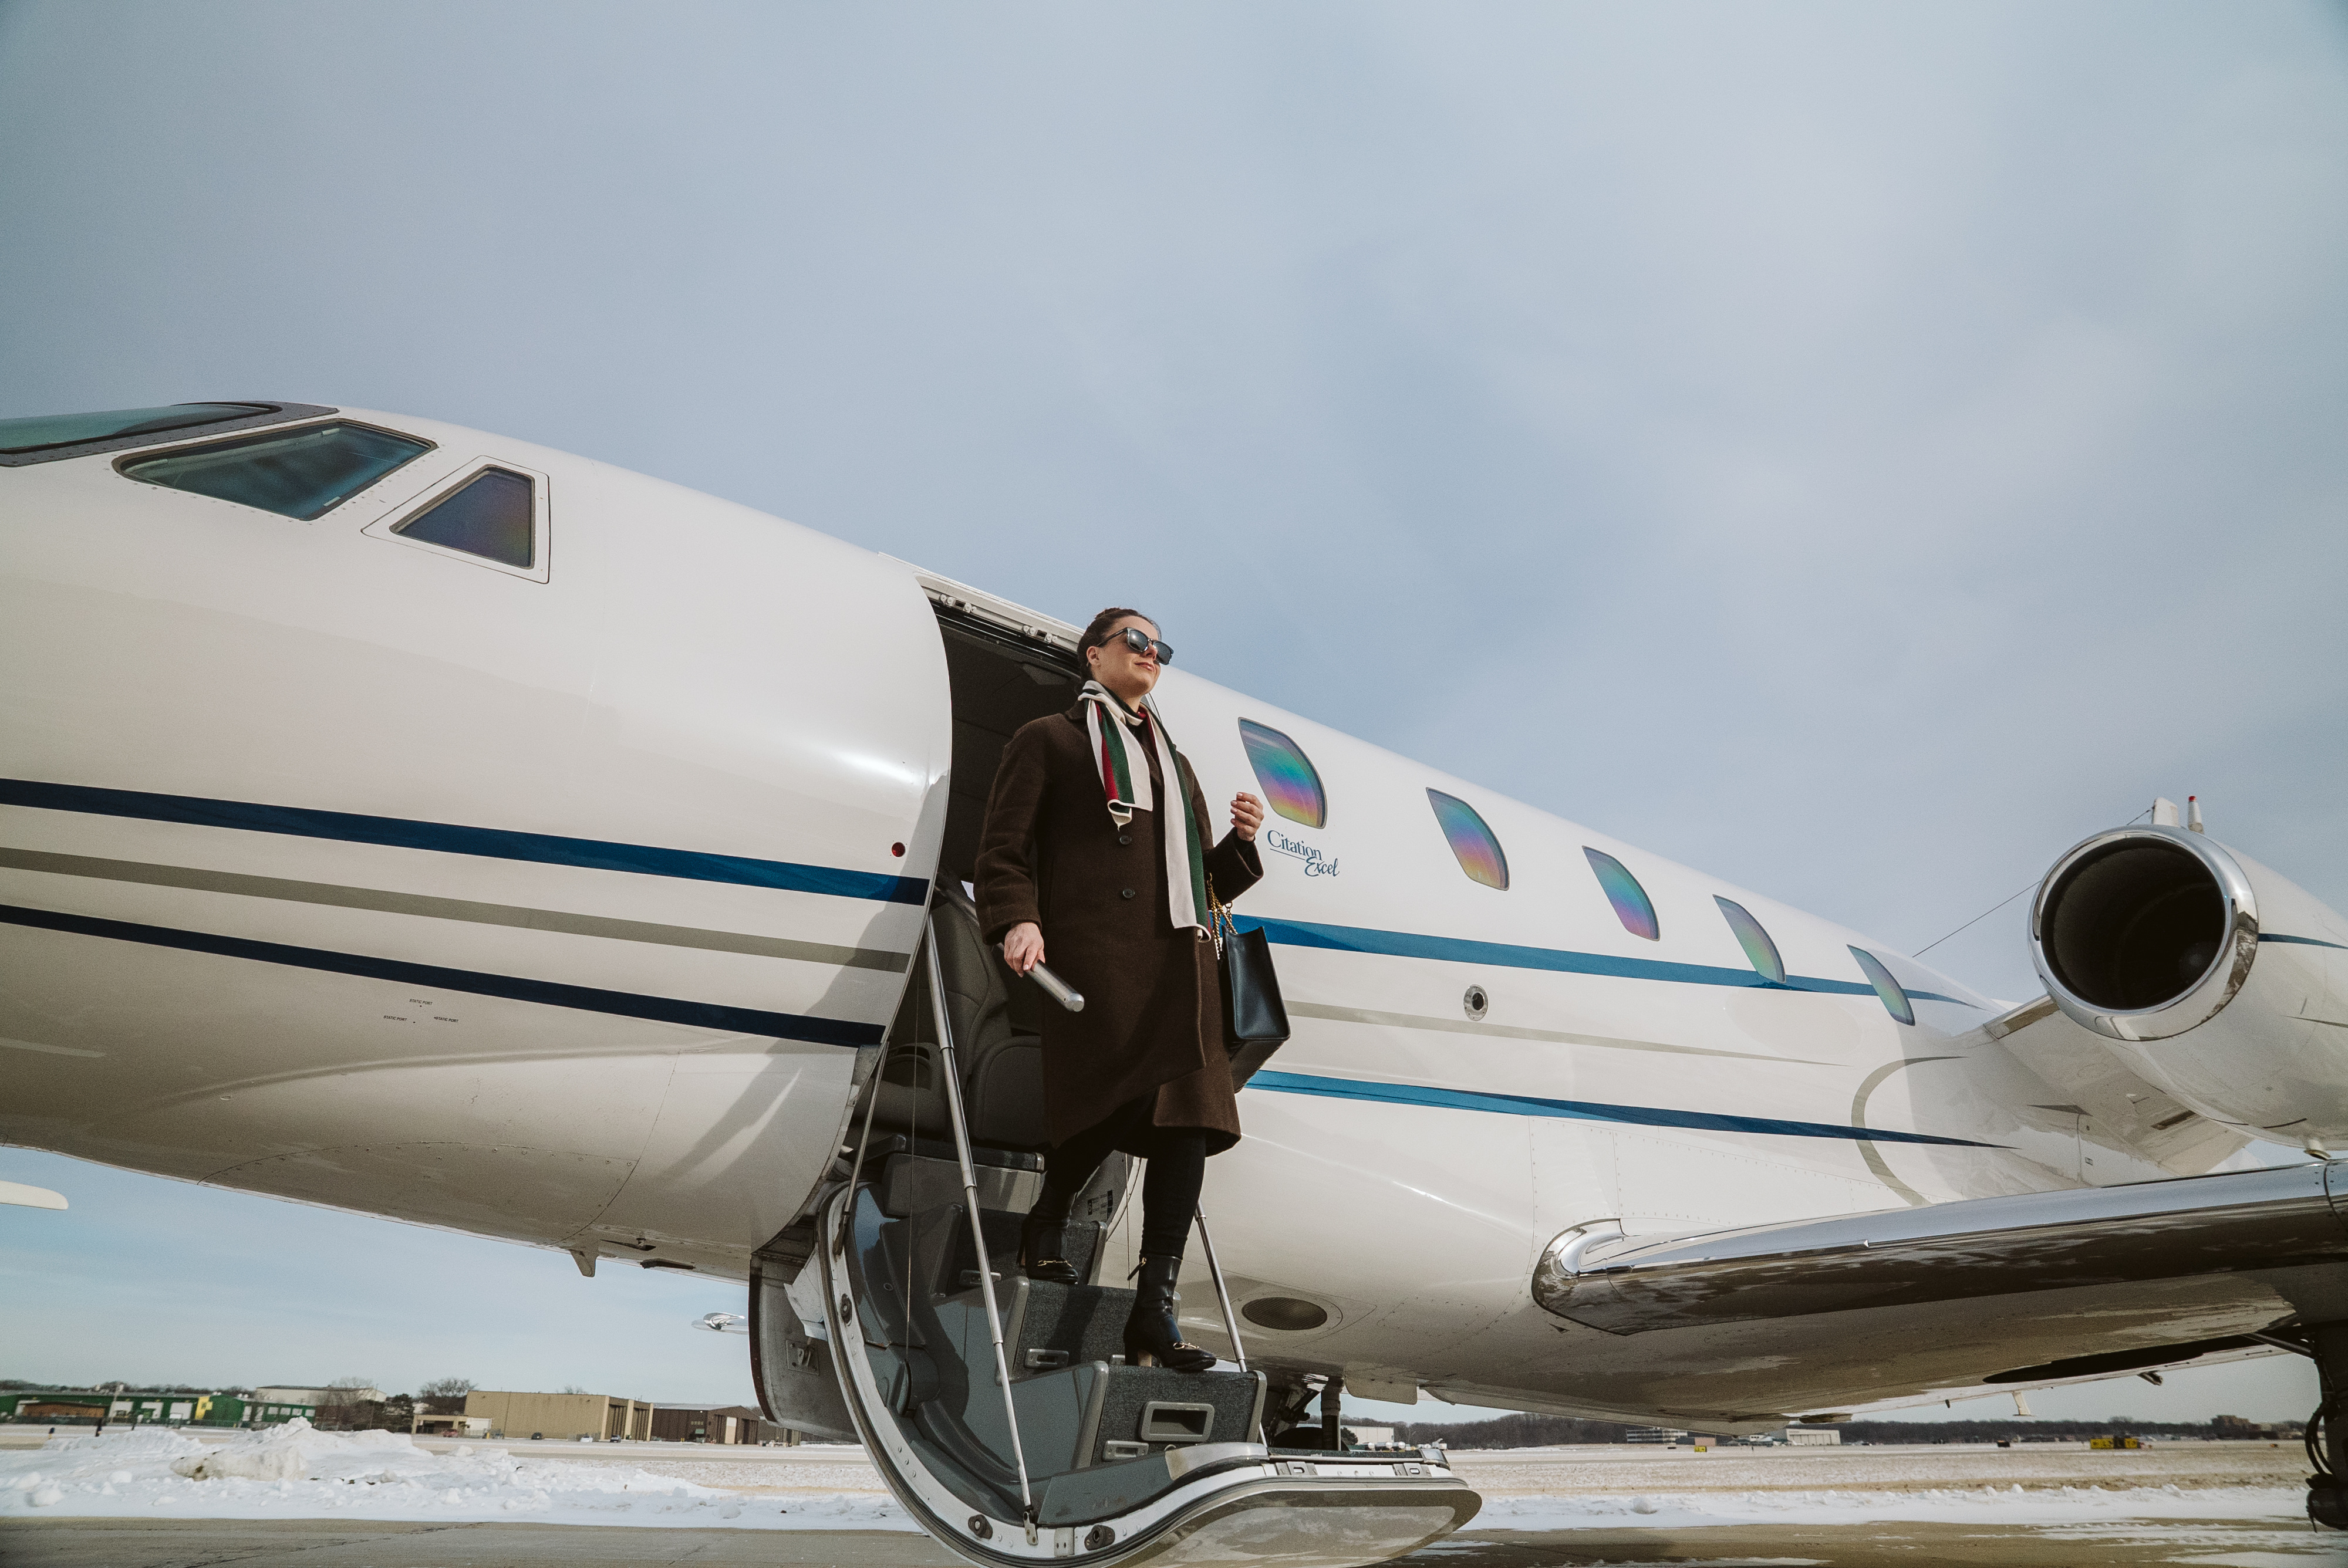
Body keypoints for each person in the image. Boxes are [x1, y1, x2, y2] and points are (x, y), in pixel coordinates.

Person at [975, 607, 1264, 1373]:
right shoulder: (1051, 740)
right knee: (1113, 1096)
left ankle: (1153, 1312)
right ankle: (1047, 1220)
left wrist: (1240, 844)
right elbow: (1003, 848)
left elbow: (1204, 880)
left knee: (1190, 1125)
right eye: (1136, 641)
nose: (1151, 654)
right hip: (1102, 957)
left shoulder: (1175, 762)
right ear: (1094, 654)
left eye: (1160, 647)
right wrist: (1017, 919)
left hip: (1183, 963)